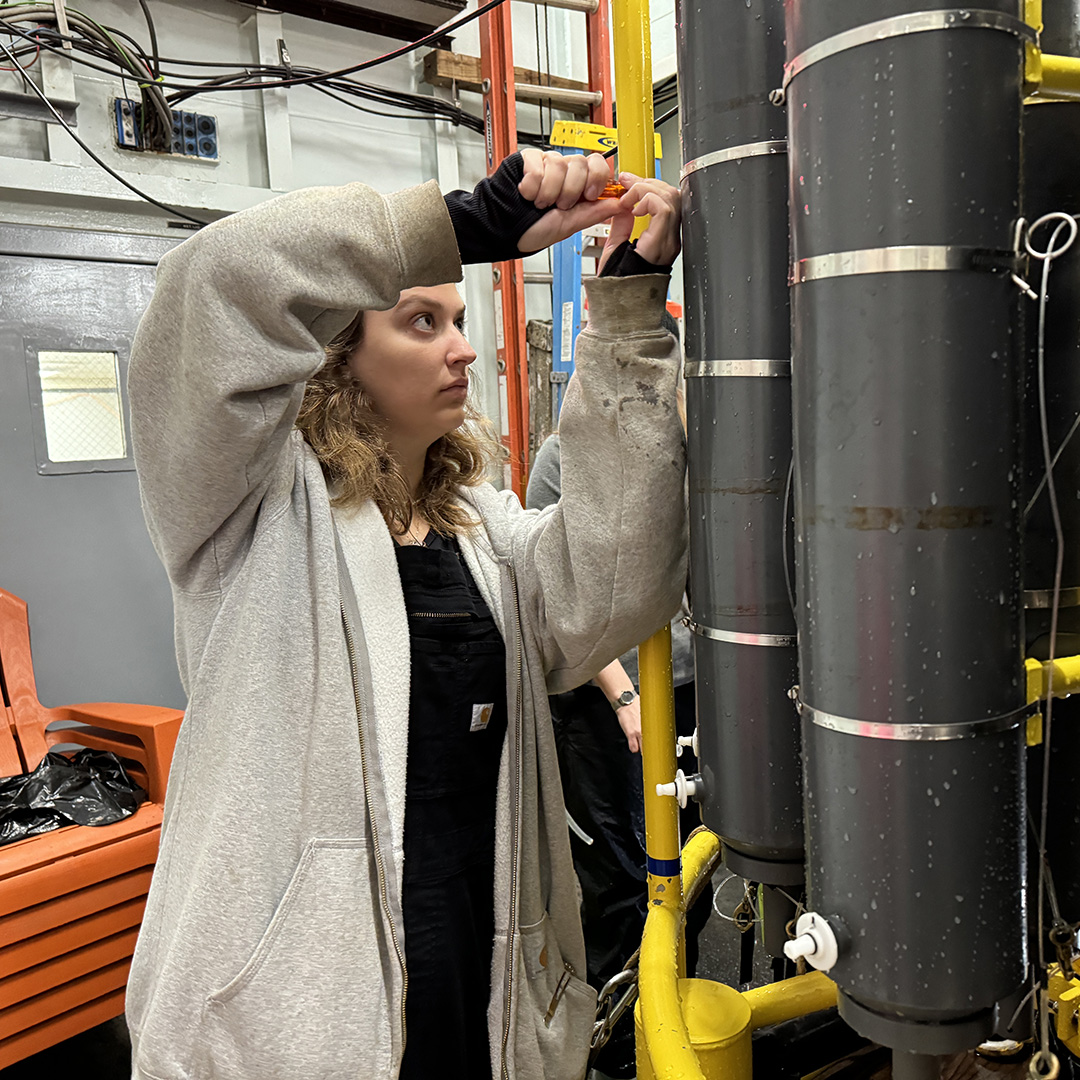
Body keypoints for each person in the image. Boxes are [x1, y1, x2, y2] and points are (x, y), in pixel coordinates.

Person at [125, 147, 686, 1080]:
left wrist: (627, 312)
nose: (462, 347)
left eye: (458, 321)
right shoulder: (247, 512)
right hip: (302, 1014)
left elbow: (619, 570)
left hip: (474, 969)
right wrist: (460, 228)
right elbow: (209, 285)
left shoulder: (481, 534)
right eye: (421, 321)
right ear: (334, 355)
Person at [527, 400, 708, 1080]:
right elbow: (552, 592)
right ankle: (620, 1043)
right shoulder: (562, 460)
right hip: (606, 701)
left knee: (690, 861)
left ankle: (678, 1008)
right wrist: (624, 695)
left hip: (686, 688)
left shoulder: (687, 462)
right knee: (621, 874)